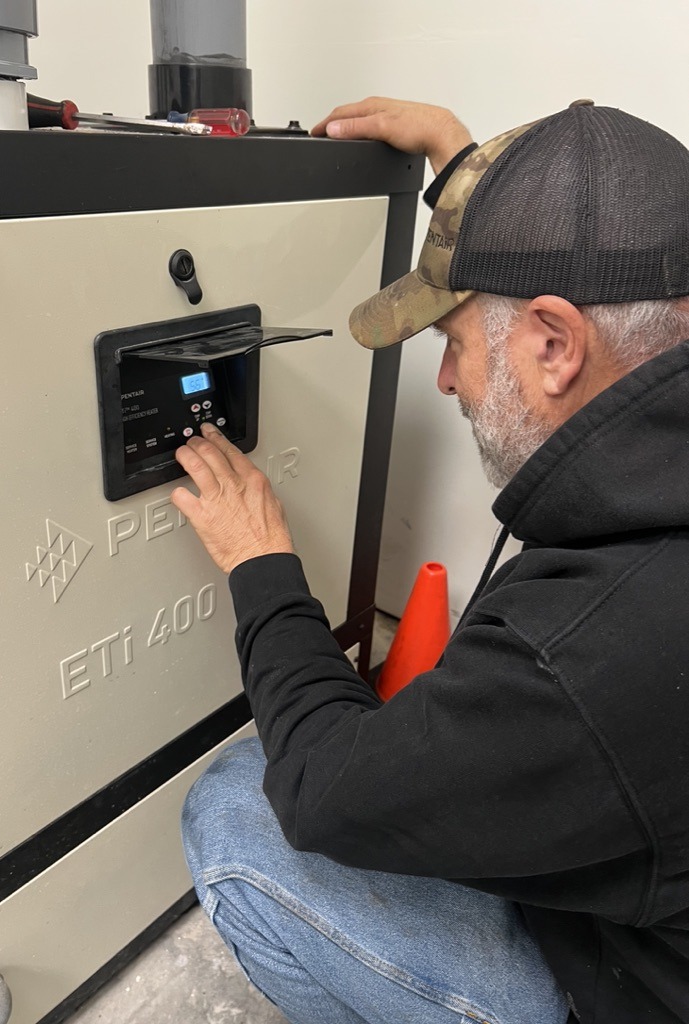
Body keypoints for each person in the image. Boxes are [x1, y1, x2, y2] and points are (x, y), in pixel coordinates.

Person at [170, 98, 689, 1024]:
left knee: (236, 808)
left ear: (554, 344)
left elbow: (324, 789)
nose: (446, 380)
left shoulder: (579, 654)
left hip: (628, 988)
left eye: (452, 343)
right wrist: (466, 185)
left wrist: (263, 567)